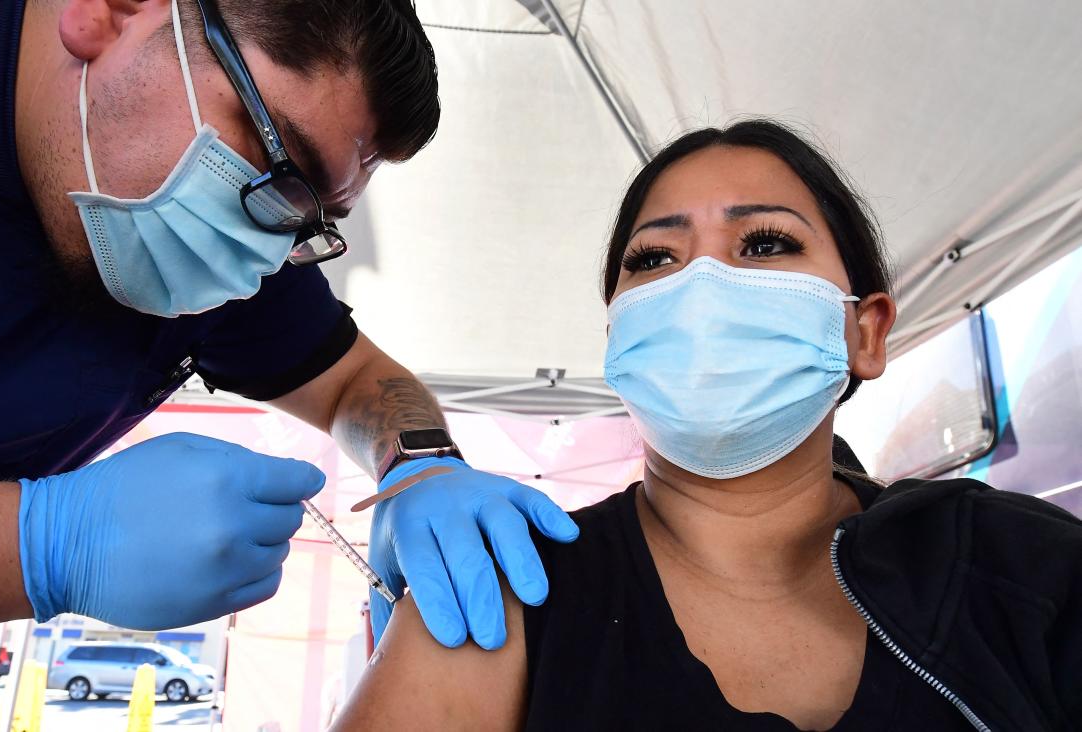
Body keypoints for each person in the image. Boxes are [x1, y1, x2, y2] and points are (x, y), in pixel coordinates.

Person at [0, 0, 581, 727]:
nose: (261, 259)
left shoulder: (206, 241)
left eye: (308, 221)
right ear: (114, 11)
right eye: (277, 162)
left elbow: (359, 381)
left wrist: (420, 464)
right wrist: (44, 545)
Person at [334, 120, 1082, 731]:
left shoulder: (1019, 566)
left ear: (866, 333)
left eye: (764, 244)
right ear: (618, 339)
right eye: (654, 257)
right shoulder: (500, 599)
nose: (699, 285)